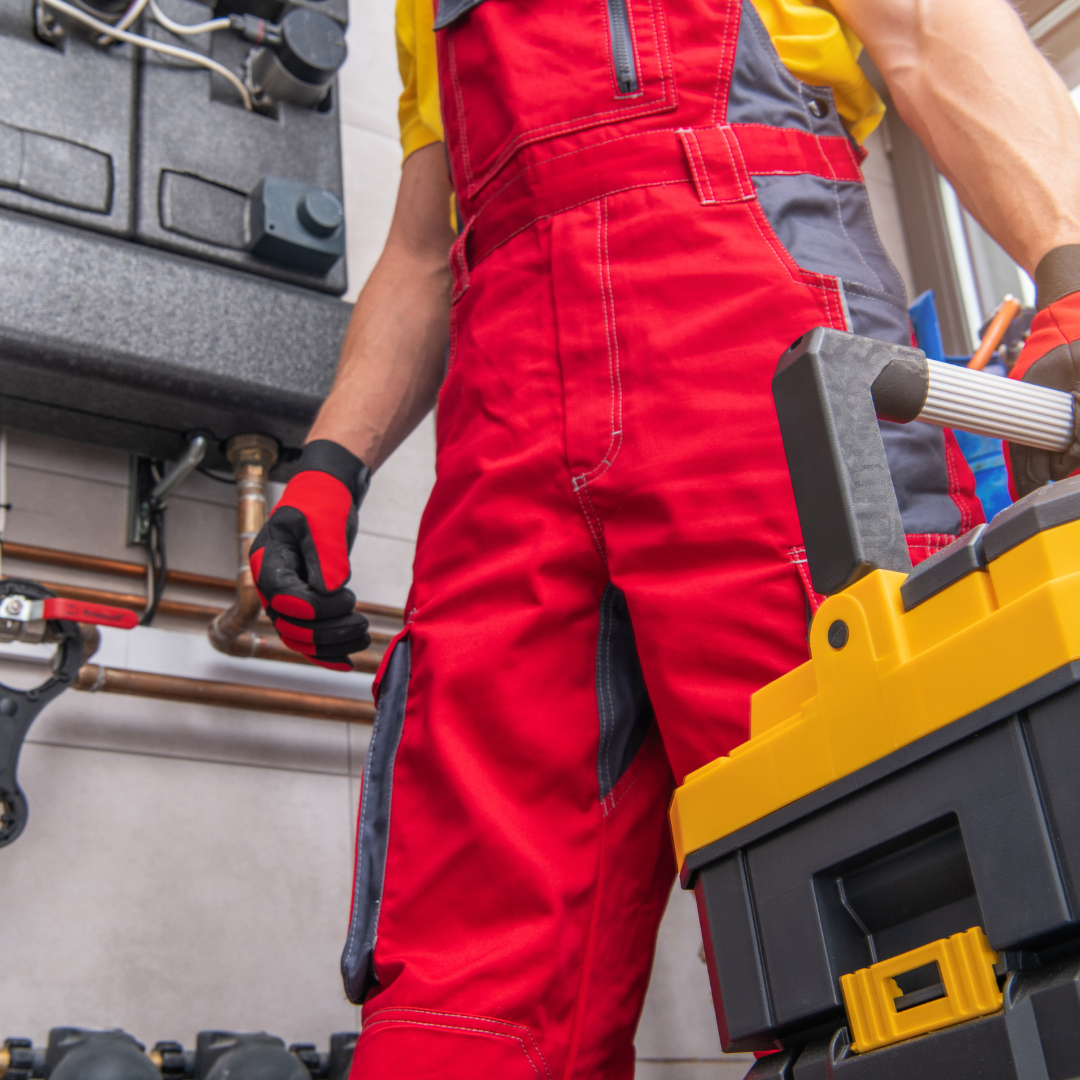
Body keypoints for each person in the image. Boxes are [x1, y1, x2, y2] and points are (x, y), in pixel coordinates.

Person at [248, 0, 1080, 1075]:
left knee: (891, 872)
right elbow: (423, 249)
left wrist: (1069, 274)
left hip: (754, 346)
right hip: (505, 417)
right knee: (464, 965)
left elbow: (928, 31)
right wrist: (329, 463)